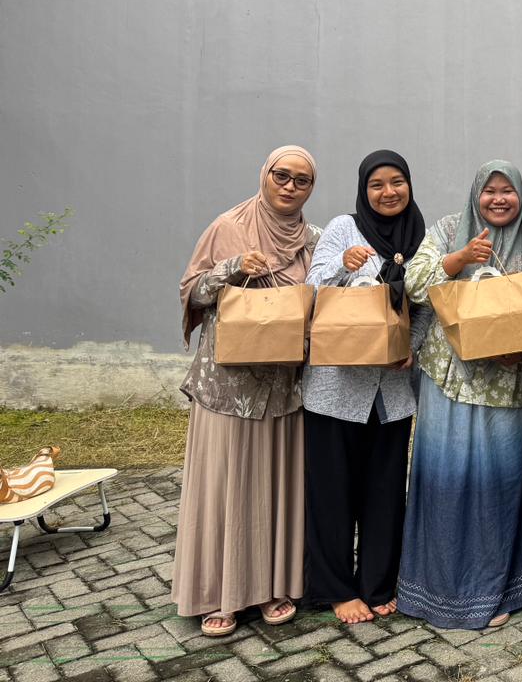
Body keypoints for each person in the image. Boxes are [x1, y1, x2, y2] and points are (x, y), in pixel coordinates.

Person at [173, 145, 318, 637]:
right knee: (226, 487)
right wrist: (232, 267)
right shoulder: (227, 226)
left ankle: (272, 586)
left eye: (302, 180)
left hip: (283, 386)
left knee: (274, 488)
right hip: (228, 388)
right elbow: (192, 291)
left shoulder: (313, 240)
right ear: (265, 174)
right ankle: (219, 593)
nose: (290, 186)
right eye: (282, 175)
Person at [397, 161, 522, 629]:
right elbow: (413, 284)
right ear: (476, 195)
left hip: (504, 387)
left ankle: (498, 588)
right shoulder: (447, 230)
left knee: (499, 488)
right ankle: (437, 587)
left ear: (520, 196)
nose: (498, 199)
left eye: (508, 191)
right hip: (449, 382)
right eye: (489, 191)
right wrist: (459, 258)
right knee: (445, 483)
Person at [302, 150, 427, 624]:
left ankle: (378, 582)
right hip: (335, 387)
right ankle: (335, 588)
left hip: (391, 389)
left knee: (385, 492)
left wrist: (411, 345)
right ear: (364, 189)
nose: (388, 192)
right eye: (377, 184)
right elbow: (312, 290)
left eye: (397, 182)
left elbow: (427, 305)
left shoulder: (420, 237)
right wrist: (343, 264)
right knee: (332, 491)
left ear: (409, 185)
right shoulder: (343, 228)